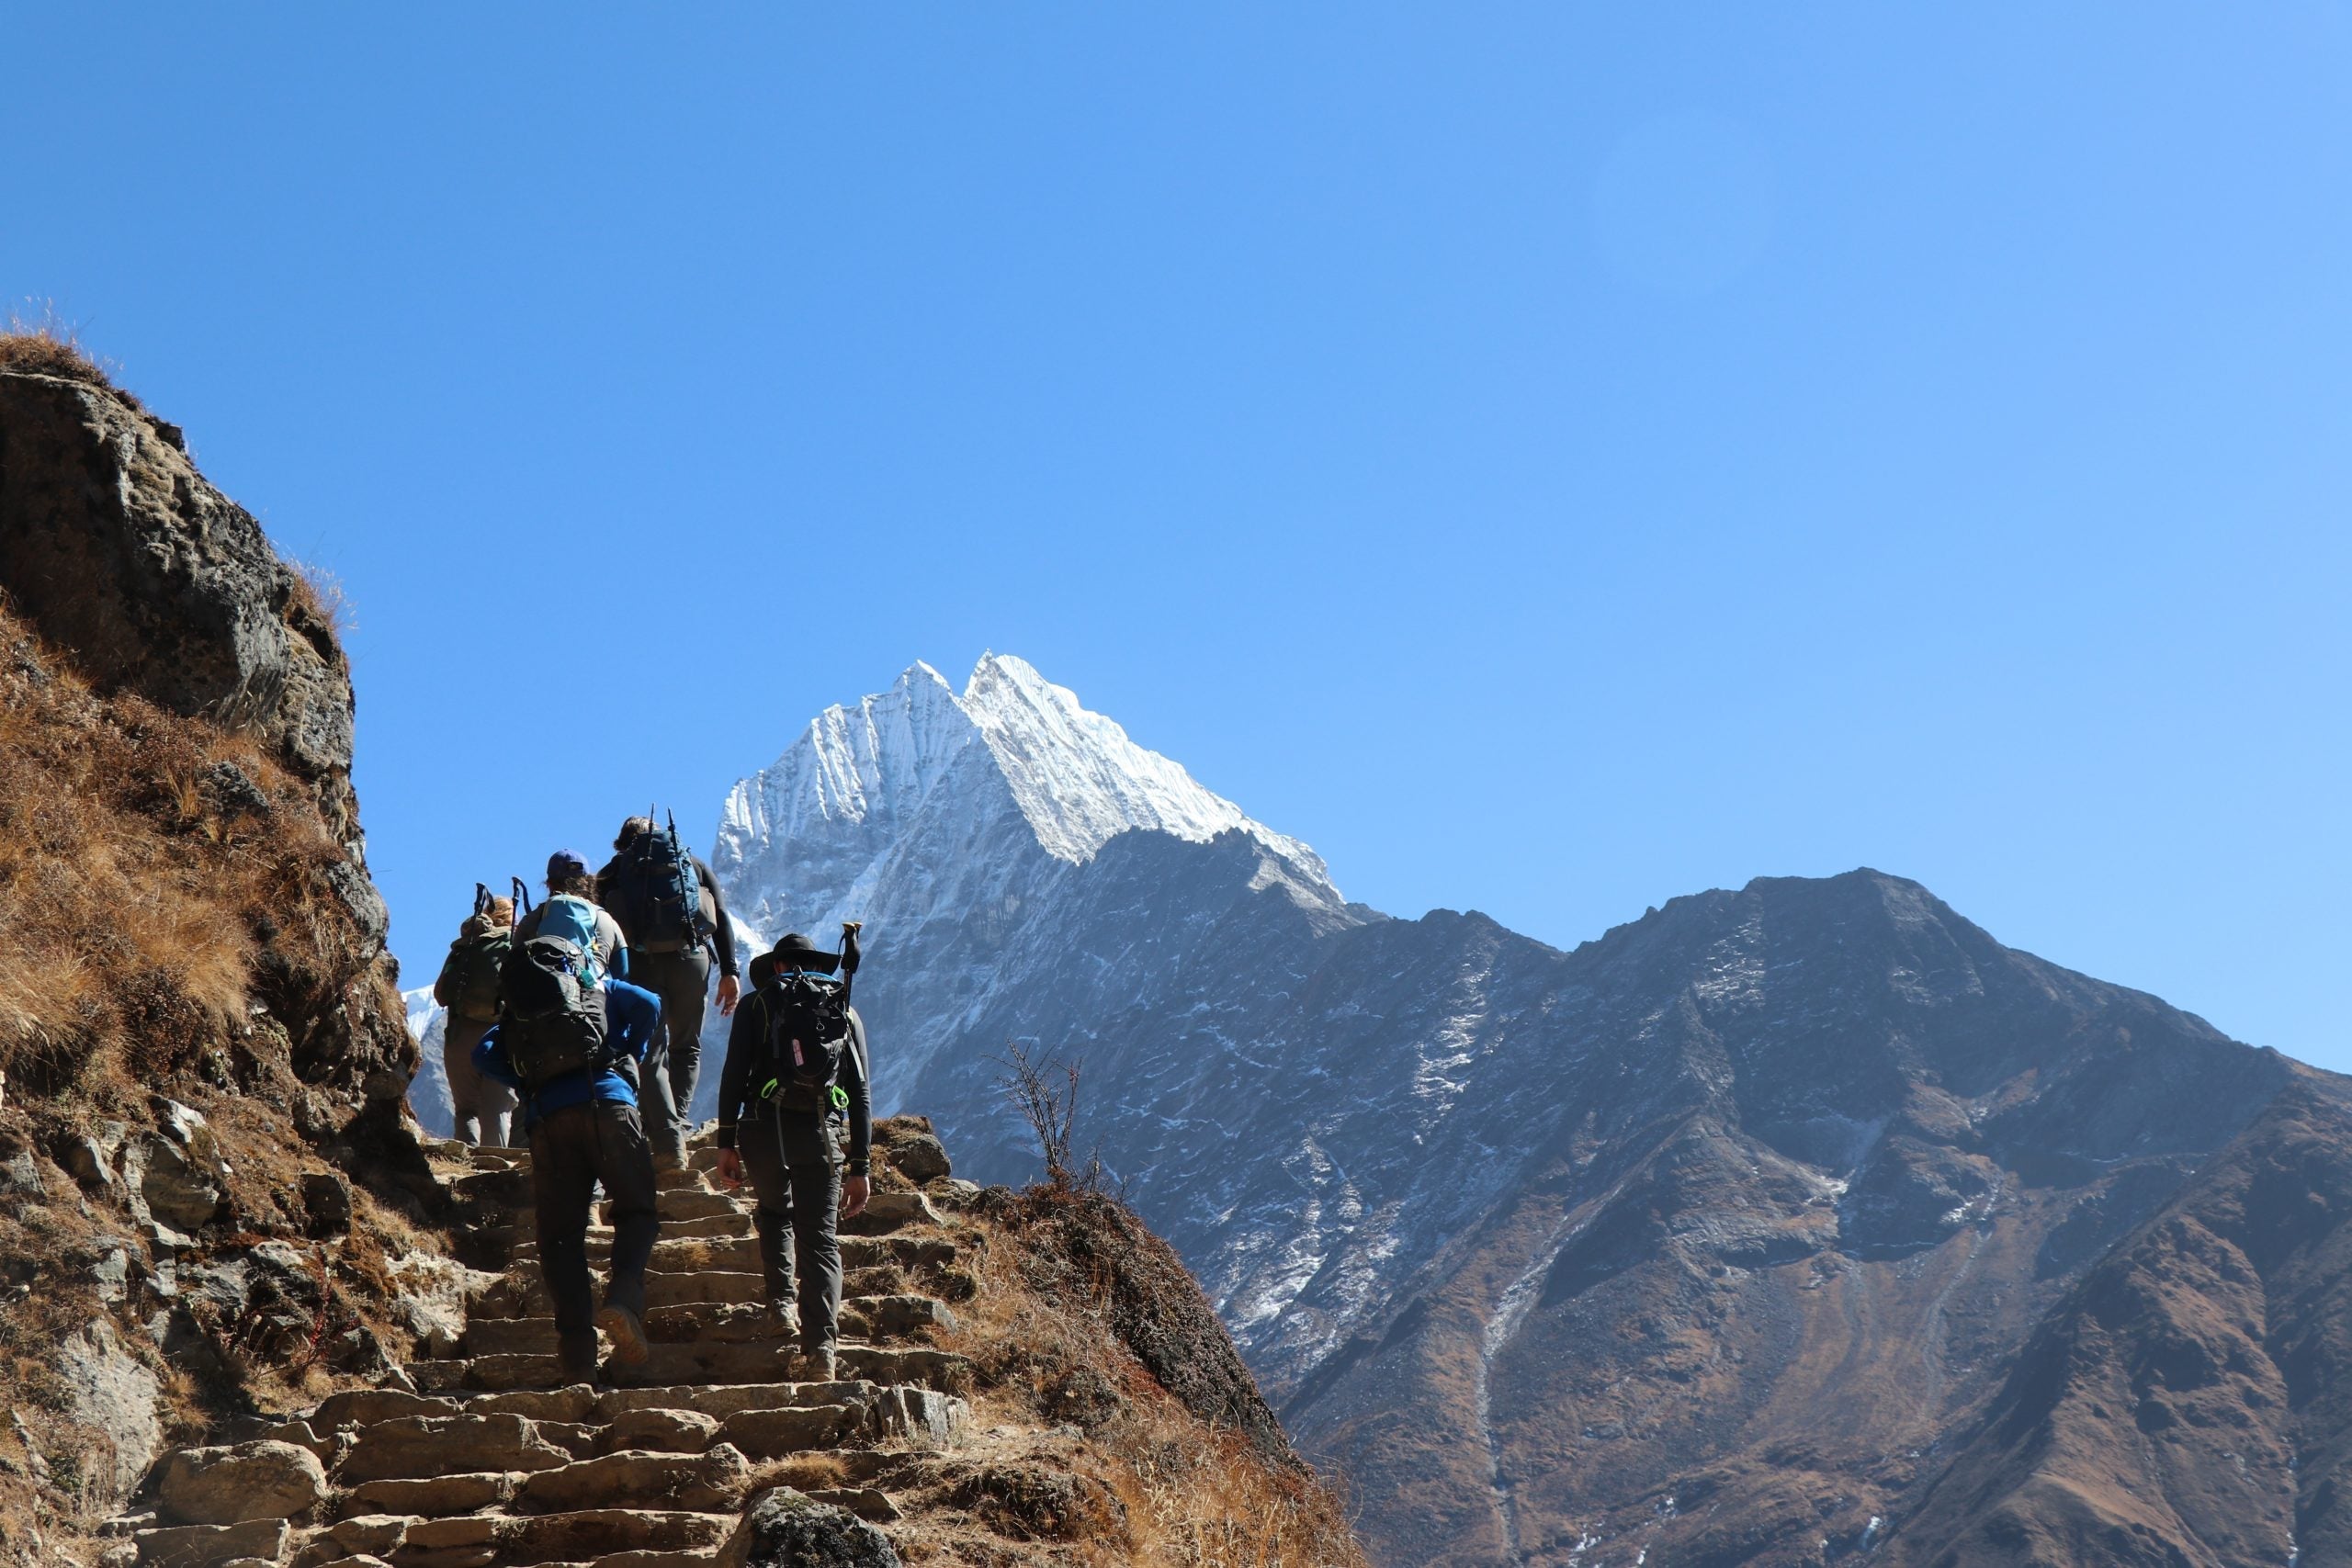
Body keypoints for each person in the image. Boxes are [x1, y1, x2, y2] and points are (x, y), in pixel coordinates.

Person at [474, 863, 662, 1383]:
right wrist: (625, 1051)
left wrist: (527, 1077)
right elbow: (648, 1002)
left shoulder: (522, 995)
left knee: (559, 1237)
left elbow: (483, 1054)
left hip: (546, 1119)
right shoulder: (595, 975)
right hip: (608, 1101)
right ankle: (624, 1299)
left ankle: (577, 1358)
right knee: (638, 1209)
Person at [712, 932, 872, 1382]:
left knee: (774, 1211)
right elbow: (859, 1092)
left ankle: (781, 1306)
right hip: (822, 1133)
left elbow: (733, 1073)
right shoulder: (844, 1008)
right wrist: (861, 1164)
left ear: (779, 966)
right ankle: (822, 1350)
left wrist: (726, 1141)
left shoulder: (757, 1005)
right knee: (820, 1238)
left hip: (764, 1129)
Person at [596, 817, 741, 1170]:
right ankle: (678, 1121)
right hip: (691, 961)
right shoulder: (689, 862)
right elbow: (720, 915)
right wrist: (730, 971)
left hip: (641, 964)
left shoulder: (612, 872)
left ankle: (665, 1133)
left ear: (622, 843)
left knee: (651, 1050)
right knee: (686, 1045)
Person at [431, 892, 517, 1147]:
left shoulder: (465, 947)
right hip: (500, 1037)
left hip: (460, 1037)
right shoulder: (514, 946)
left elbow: (440, 994)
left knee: (467, 1110)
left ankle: (466, 1172)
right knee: (498, 1108)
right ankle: (495, 1173)